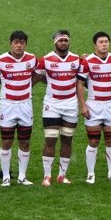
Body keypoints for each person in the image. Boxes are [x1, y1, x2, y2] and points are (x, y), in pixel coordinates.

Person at [35, 30, 83, 186]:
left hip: (70, 104)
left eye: (65, 40)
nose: (63, 43)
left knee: (67, 140)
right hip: (52, 104)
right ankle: (47, 176)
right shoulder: (46, 60)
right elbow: (35, 78)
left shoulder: (77, 59)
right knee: (50, 139)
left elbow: (82, 79)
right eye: (60, 40)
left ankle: (62, 175)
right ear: (54, 42)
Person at [0, 30, 38, 187]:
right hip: (8, 105)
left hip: (25, 105)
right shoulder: (0, 60)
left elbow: (40, 74)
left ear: (26, 44)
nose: (19, 46)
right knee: (6, 141)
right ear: (10, 44)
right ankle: (6, 176)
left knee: (25, 141)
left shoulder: (32, 59)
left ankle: (22, 176)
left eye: (22, 43)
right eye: (16, 42)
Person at [79, 31, 111, 184]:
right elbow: (79, 84)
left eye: (106, 41)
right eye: (101, 42)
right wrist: (83, 105)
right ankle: (90, 174)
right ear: (95, 45)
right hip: (93, 105)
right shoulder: (87, 62)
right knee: (93, 141)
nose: (104, 44)